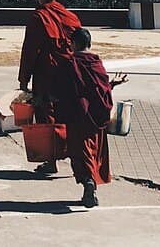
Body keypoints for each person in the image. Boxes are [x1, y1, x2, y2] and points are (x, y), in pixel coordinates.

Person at [17, 0, 82, 175]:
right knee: (69, 117)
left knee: (46, 118)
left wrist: (23, 79)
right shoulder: (70, 17)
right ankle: (76, 159)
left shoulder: (38, 17)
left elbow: (30, 50)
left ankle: (51, 161)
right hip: (70, 75)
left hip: (47, 76)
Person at [58, 27, 116, 207]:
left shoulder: (69, 62)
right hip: (96, 115)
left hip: (77, 114)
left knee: (80, 151)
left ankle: (88, 182)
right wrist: (113, 85)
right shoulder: (96, 63)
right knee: (93, 150)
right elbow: (101, 87)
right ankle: (91, 186)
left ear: (73, 44)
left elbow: (62, 90)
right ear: (89, 44)